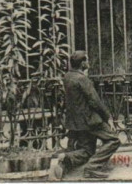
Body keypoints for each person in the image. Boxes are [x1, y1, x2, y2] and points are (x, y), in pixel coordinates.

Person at [51, 51, 120, 180]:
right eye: (86, 60)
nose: (88, 62)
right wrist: (108, 118)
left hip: (76, 121)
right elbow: (95, 101)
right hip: (89, 120)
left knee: (87, 150)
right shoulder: (82, 79)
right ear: (83, 63)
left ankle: (66, 159)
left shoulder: (68, 77)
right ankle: (92, 168)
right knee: (114, 140)